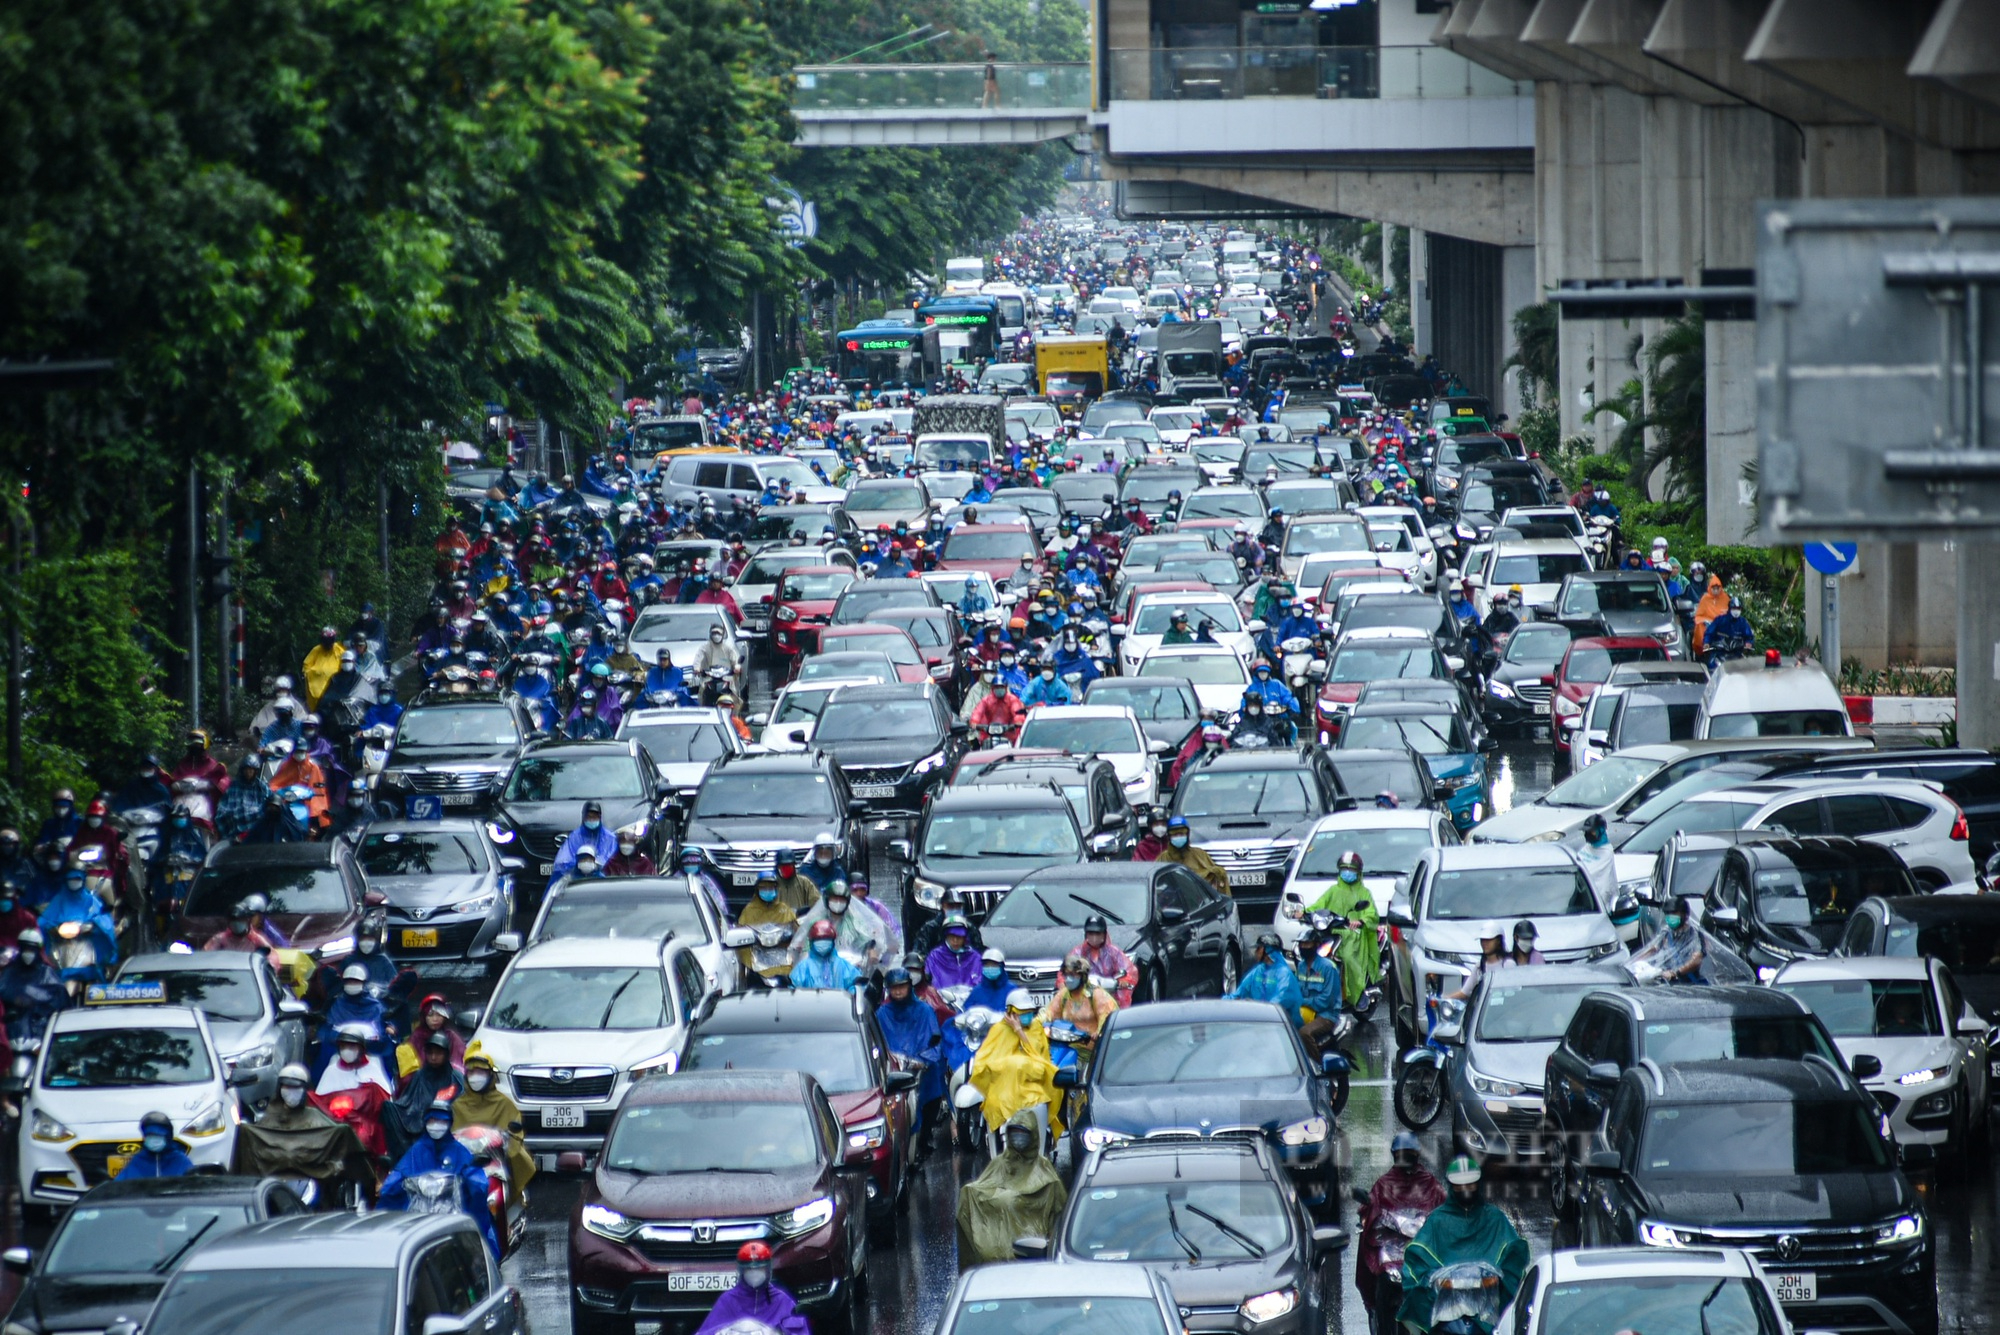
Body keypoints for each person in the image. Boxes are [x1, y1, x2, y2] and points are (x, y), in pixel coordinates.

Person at [1397, 1156, 1528, 1334]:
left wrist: (1503, 1272)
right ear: (1451, 1186)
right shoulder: (1437, 1220)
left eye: (1470, 1184)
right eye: (1459, 1185)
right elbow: (1417, 1254)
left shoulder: (1494, 1217)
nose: (1465, 1190)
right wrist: (1426, 1277)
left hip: (1489, 1302)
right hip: (1443, 1300)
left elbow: (1513, 1250)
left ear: (1479, 1184)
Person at [379, 1099, 501, 1262]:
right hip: (419, 1219)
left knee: (481, 1254)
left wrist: (473, 1187)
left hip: (456, 1219)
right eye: (432, 1120)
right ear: (425, 1122)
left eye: (441, 1121)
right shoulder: (416, 1152)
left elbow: (476, 1180)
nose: (437, 1125)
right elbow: (395, 1181)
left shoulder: (459, 1151)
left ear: (449, 1123)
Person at [1356, 1133, 1445, 1335]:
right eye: (1402, 1154)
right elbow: (1369, 1208)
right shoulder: (1383, 1184)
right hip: (1390, 1261)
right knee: (1381, 1286)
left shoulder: (1430, 1185)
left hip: (1422, 1256)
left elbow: (1446, 1211)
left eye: (1409, 1154)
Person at [954, 1110, 1068, 1266]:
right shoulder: (1000, 1163)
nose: (1018, 1138)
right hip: (993, 1251)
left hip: (1028, 1252)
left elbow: (1058, 1211)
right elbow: (983, 1187)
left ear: (1033, 1136)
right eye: (1014, 1133)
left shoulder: (1042, 1169)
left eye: (1023, 1133)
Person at [970, 989, 1058, 1151]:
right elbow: (984, 1061)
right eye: (1021, 1012)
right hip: (1004, 1088)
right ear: (1010, 1013)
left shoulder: (1036, 1028)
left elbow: (1038, 1058)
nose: (1026, 1016)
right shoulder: (999, 1030)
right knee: (995, 1104)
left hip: (1032, 1087)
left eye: (1029, 1012)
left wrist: (1019, 1031)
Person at [453, 1043, 536, 1210]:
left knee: (518, 1155)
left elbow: (515, 1132)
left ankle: (515, 1196)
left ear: (490, 1075)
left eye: (481, 1072)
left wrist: (508, 1140)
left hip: (495, 1159)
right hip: (463, 1161)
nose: (476, 1077)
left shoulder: (505, 1104)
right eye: (472, 1072)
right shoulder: (457, 1105)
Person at [876, 967, 945, 1157]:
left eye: (902, 987)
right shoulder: (882, 1013)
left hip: (921, 1068)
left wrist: (923, 1060)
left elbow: (935, 1041)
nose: (898, 991)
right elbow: (878, 1042)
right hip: (893, 1070)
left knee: (931, 1094)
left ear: (909, 987)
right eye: (894, 988)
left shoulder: (924, 1010)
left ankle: (925, 1137)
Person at [1306, 850, 1380, 1007]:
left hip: (1354, 935)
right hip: (1332, 933)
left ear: (1358, 872)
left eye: (1351, 870)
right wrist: (1304, 913)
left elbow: (1371, 914)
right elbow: (1318, 905)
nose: (1348, 873)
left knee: (1348, 958)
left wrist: (1361, 920)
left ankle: (1357, 994)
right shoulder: (1333, 891)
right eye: (1344, 869)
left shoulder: (1363, 893)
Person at [694, 1242, 810, 1335]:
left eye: (759, 1269)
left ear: (768, 1269)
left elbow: (800, 1331)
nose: (754, 1273)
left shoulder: (782, 1300)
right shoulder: (728, 1300)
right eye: (749, 1269)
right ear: (741, 1271)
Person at [388, 1031, 466, 1159]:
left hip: (448, 1129)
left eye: (438, 1053)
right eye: (430, 1053)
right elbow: (406, 1102)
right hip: (419, 1126)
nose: (434, 1057)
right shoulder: (419, 1076)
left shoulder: (455, 1078)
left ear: (446, 1054)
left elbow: (462, 1106)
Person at [1040, 955, 1116, 1051]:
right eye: (1066, 975)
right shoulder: (1063, 994)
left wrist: (1098, 1033)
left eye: (1072, 975)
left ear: (1082, 976)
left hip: (1092, 1051)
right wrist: (1035, 1023)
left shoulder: (1096, 994)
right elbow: (1049, 1013)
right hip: (1066, 1047)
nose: (1068, 979)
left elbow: (1107, 1018)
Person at [1228, 931, 1304, 1027]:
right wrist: (1224, 1003)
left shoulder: (1284, 974)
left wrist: (1259, 1010)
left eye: (1259, 948)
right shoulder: (1258, 970)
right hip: (1260, 1020)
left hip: (1282, 1025)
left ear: (1268, 950)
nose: (1255, 952)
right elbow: (1240, 992)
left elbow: (1280, 1000)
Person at [1294, 922, 1344, 1061]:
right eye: (1301, 944)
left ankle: (1315, 1067)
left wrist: (1303, 1002)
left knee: (1304, 1033)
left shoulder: (1328, 968)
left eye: (1307, 944)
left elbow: (1326, 1000)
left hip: (1325, 1015)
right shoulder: (1301, 967)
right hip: (1305, 1012)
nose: (1303, 947)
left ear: (1316, 945)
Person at [395, 993, 466, 1078]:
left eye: (439, 1015)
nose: (435, 1019)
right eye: (430, 1015)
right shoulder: (416, 1038)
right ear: (424, 1017)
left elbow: (461, 1063)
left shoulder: (451, 1036)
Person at [317, 1022, 396, 1098]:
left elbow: (385, 1098)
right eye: (344, 1047)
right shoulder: (332, 1071)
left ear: (361, 1049)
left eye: (352, 1047)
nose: (347, 1050)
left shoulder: (372, 1069)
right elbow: (320, 1099)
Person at [1073, 915, 1138, 1007]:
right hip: (1084, 1001)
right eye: (1091, 933)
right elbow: (1066, 971)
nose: (1094, 937)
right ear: (1086, 934)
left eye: (1098, 933)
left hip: (1109, 999)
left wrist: (1124, 980)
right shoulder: (1078, 953)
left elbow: (1128, 970)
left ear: (1104, 934)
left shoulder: (1113, 952)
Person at [1157, 815, 1229, 894]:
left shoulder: (1199, 854)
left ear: (1187, 835)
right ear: (1169, 837)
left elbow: (1216, 875)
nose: (1178, 837)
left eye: (1181, 834)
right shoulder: (1163, 859)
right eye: (1175, 835)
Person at [115, 1111, 196, 1180]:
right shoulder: (137, 1161)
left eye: (158, 1136)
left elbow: (193, 1185)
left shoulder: (181, 1161)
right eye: (150, 1136)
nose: (154, 1140)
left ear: (168, 1137)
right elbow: (119, 1186)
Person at [550, 800, 618, 879]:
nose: (592, 819)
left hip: (602, 881)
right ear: (583, 817)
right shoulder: (574, 837)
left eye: (595, 817)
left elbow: (615, 860)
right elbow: (562, 862)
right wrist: (579, 865)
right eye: (589, 816)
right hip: (577, 879)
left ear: (600, 818)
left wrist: (598, 865)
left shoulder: (610, 838)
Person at [790, 918, 862, 991]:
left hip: (838, 1002)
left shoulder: (842, 966)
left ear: (833, 942)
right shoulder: (804, 967)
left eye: (826, 939)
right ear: (811, 943)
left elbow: (857, 986)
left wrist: (852, 993)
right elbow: (792, 989)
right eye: (818, 940)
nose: (822, 943)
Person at [925, 913, 984, 990]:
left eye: (959, 937)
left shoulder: (975, 957)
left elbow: (981, 981)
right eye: (951, 936)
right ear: (945, 936)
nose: (955, 941)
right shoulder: (935, 956)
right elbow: (927, 978)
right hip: (942, 999)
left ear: (965, 938)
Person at [1704, 594, 1755, 659]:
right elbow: (1709, 633)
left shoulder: (1743, 622)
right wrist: (1706, 643)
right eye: (1734, 608)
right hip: (1719, 652)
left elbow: (1749, 636)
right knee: (1711, 665)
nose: (1736, 611)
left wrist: (1748, 643)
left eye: (1738, 608)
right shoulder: (1720, 620)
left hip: (1736, 653)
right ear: (1729, 608)